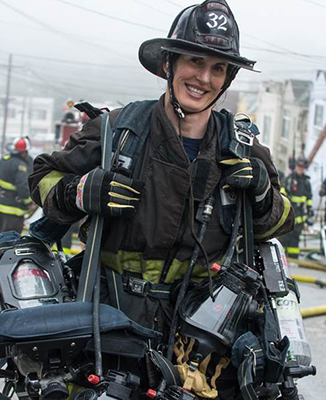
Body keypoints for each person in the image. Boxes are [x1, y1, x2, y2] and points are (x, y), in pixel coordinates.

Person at [29, 1, 294, 398]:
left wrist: (260, 193)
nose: (204, 77)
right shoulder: (116, 131)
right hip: (111, 321)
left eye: (218, 68)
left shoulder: (243, 148)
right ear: (168, 64)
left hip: (205, 332)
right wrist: (81, 191)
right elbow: (44, 177)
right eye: (194, 60)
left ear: (227, 79)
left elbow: (281, 222)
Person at [0, 136, 34, 234]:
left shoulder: (4, 160)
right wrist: (29, 203)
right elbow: (22, 187)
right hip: (13, 209)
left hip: (1, 206)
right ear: (23, 152)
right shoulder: (20, 165)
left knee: (2, 237)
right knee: (11, 240)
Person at [280, 156, 313, 259]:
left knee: (295, 237)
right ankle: (282, 258)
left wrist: (310, 209)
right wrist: (287, 189)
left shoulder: (306, 182)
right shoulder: (288, 179)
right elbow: (281, 195)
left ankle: (294, 258)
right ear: (295, 166)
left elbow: (309, 197)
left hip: (300, 215)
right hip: (289, 212)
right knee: (285, 236)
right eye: (299, 166)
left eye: (302, 167)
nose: (300, 168)